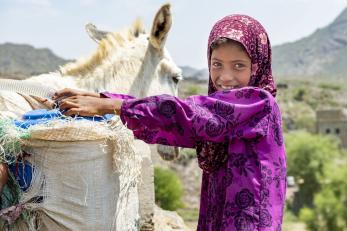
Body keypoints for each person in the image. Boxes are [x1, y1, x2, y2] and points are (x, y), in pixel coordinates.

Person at [51, 14, 287, 230]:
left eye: (238, 66)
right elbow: (173, 124)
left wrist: (113, 106)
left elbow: (185, 115)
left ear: (257, 65)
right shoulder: (220, 113)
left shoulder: (259, 104)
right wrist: (105, 99)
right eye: (217, 64)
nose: (225, 77)